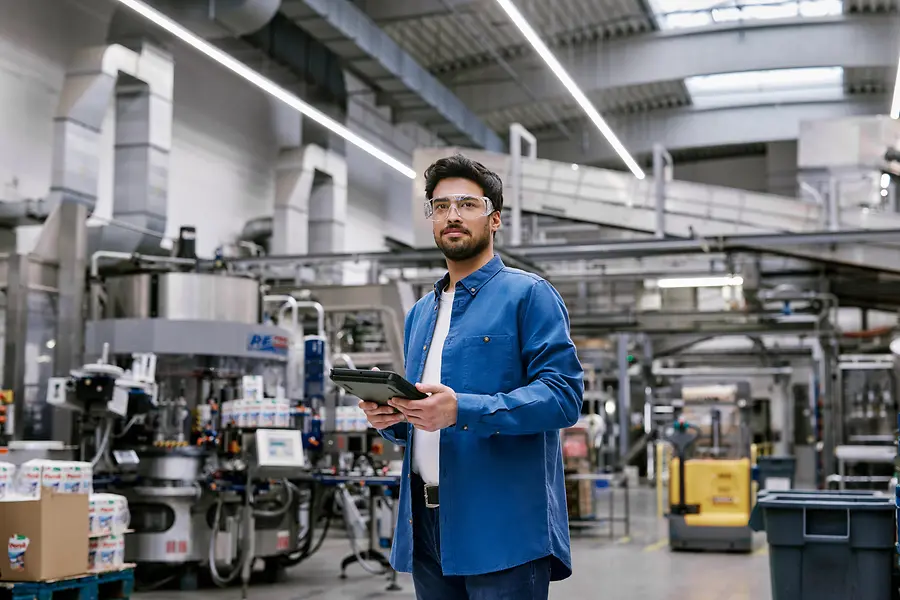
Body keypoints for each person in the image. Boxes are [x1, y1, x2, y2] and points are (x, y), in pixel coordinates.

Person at [359, 153, 584, 600]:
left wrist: (462, 407)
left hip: (502, 528)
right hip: (426, 524)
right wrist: (397, 415)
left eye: (466, 204)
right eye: (440, 207)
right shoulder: (421, 313)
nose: (452, 215)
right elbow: (431, 416)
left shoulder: (528, 295)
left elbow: (562, 397)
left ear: (494, 218)